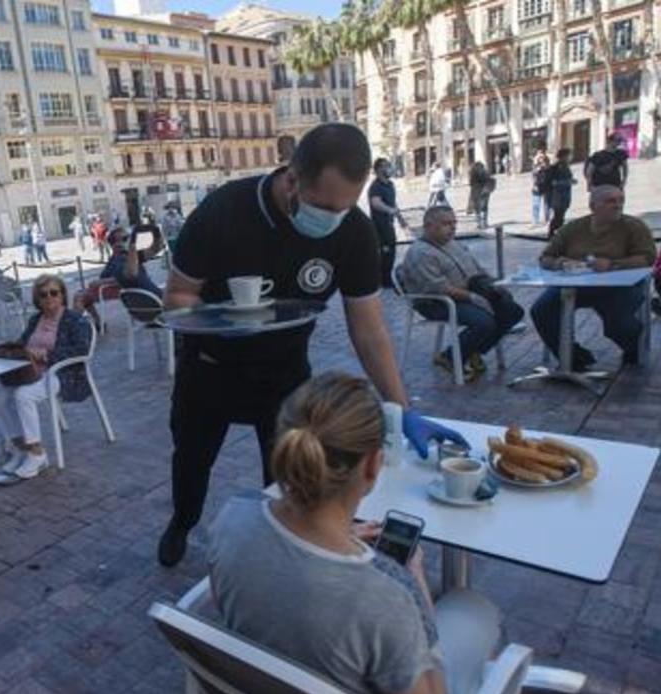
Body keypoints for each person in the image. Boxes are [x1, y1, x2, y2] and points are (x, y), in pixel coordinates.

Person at [158, 123, 465, 568]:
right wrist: (228, 323)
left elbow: (368, 327)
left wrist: (401, 407)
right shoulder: (225, 209)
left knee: (288, 476)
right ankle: (182, 523)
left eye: (344, 207)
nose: (331, 218)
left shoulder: (352, 231)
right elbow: (177, 298)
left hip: (283, 373)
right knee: (191, 460)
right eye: (322, 205)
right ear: (292, 177)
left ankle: (280, 554)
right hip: (209, 367)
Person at [210, 373, 503, 694]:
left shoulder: (231, 519)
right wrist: (415, 584)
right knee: (475, 609)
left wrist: (339, 537)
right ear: (373, 466)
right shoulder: (385, 597)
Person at [532, 185, 656, 370]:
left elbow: (647, 258)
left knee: (618, 322)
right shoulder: (573, 228)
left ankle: (633, 348)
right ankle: (573, 359)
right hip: (577, 285)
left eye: (620, 200)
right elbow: (546, 257)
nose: (617, 205)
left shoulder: (634, 227)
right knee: (542, 310)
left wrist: (613, 264)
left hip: (620, 286)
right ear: (593, 206)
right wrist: (561, 263)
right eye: (610, 201)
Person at [399, 206, 524, 380]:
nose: (452, 228)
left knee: (513, 311)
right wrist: (472, 298)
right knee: (484, 322)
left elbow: (476, 269)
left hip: (466, 292)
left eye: (454, 223)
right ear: (428, 226)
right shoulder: (420, 253)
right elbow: (439, 288)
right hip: (435, 302)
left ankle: (472, 351)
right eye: (446, 224)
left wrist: (495, 284)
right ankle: (449, 358)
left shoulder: (454, 243)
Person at [0, 275, 91, 479]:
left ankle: (36, 453)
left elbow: (81, 351)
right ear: (38, 299)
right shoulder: (36, 319)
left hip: (63, 373)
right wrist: (9, 351)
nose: (49, 298)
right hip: (30, 373)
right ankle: (21, 448)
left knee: (23, 396)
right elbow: (22, 343)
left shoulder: (74, 319)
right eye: (43, 295)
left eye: (54, 293)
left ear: (62, 295)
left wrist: (46, 355)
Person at [367, 158, 408, 289]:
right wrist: (390, 210)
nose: (389, 168)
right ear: (378, 169)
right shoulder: (375, 186)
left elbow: (393, 203)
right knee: (386, 251)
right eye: (386, 166)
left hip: (388, 223)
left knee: (390, 251)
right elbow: (375, 203)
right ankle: (384, 280)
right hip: (379, 225)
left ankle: (384, 278)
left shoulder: (390, 184)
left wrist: (400, 217)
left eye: (389, 165)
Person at [546, 148, 575, 238]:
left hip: (564, 194)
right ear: (564, 156)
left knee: (560, 215)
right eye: (569, 155)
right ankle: (553, 233)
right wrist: (568, 182)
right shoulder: (557, 167)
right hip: (558, 195)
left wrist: (570, 181)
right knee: (558, 216)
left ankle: (556, 233)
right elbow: (553, 182)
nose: (570, 157)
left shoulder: (565, 166)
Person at [469, 161, 493, 229]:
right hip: (484, 191)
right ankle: (484, 223)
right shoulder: (485, 172)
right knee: (484, 208)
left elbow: (470, 183)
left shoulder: (472, 173)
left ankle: (479, 223)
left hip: (475, 192)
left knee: (477, 209)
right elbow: (488, 180)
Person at [531, 149, 551, 226]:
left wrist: (545, 167)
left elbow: (550, 174)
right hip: (537, 188)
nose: (540, 157)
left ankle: (548, 219)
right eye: (539, 156)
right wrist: (537, 167)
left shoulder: (548, 165)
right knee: (536, 204)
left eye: (542, 155)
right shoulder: (535, 166)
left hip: (547, 187)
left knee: (547, 204)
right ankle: (535, 220)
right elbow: (533, 176)